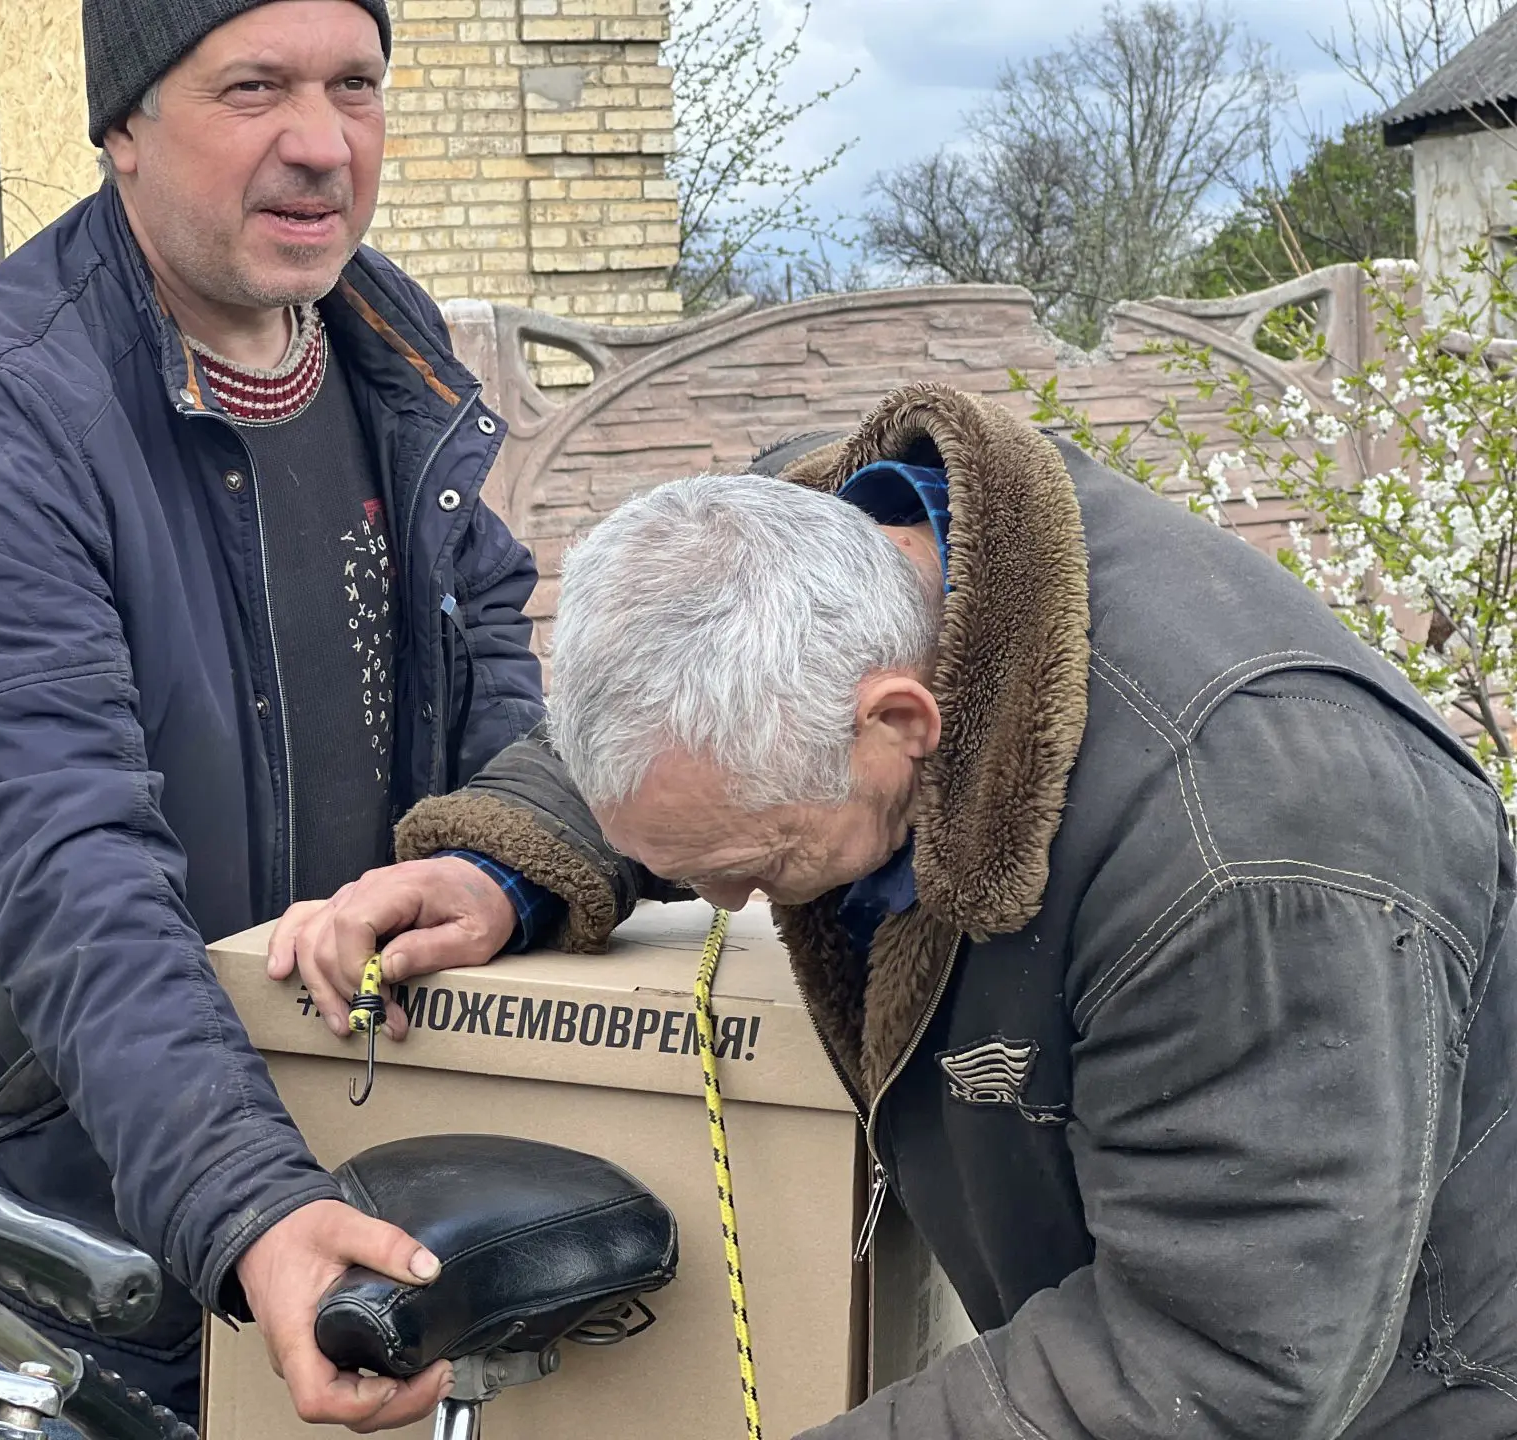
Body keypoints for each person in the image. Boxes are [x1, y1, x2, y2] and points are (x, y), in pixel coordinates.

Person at [271, 382, 1517, 1438]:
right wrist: (511, 863)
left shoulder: (1247, 849)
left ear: (899, 726)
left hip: (1410, 1382)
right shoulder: (809, 551)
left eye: (751, 868)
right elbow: (684, 739)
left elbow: (1220, 1356)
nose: (721, 907)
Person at [0, 0, 548, 1426]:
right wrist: (248, 1204)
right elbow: (56, 858)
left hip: (375, 1145)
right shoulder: (3, 415)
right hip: (96, 1212)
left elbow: (494, 661)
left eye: (354, 85)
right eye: (254, 88)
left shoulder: (387, 346)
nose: (320, 145)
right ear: (123, 126)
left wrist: (500, 864)